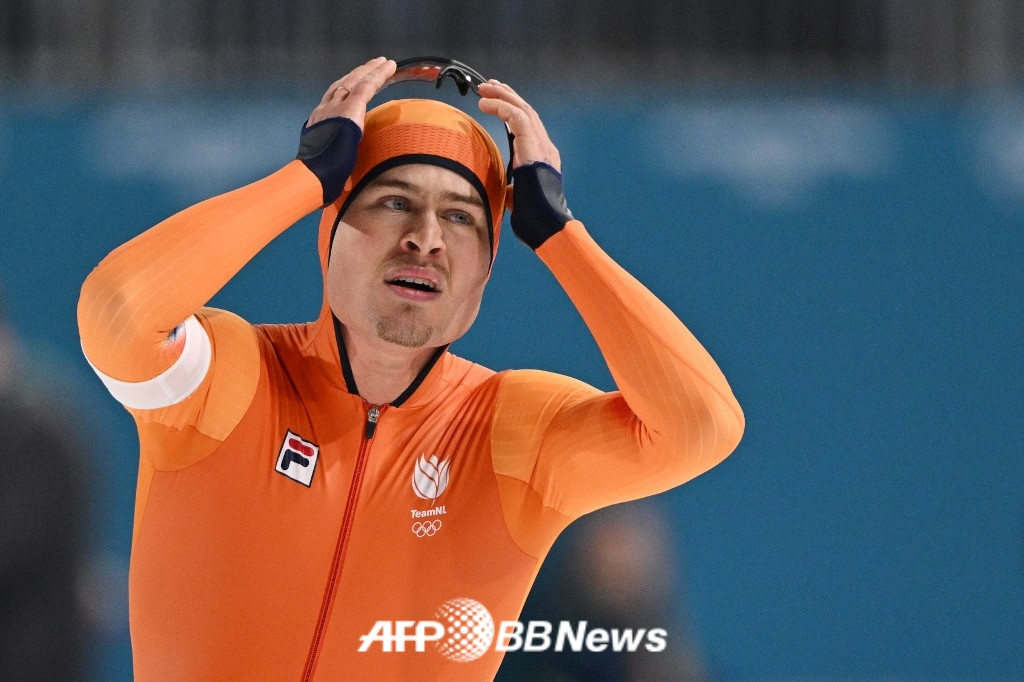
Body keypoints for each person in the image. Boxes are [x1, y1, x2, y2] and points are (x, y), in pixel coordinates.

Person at [77, 56, 744, 680]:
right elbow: (117, 315)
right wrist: (305, 178)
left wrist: (558, 233)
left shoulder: (510, 435)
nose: (426, 237)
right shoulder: (233, 378)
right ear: (331, 226)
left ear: (484, 269)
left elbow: (702, 427)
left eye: (460, 217)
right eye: (394, 201)